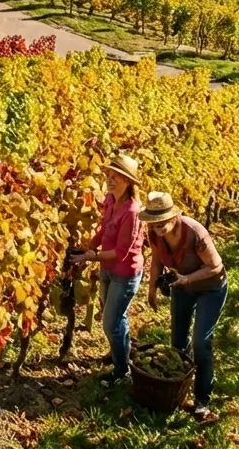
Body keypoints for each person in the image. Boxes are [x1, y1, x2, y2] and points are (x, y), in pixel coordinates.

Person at [143, 192, 227, 424]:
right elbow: (157, 260)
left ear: (174, 217)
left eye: (162, 219)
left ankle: (202, 401)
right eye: (153, 219)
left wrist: (187, 280)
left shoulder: (195, 234)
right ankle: (178, 390)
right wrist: (151, 290)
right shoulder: (155, 233)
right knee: (178, 342)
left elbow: (216, 267)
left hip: (210, 288)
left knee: (201, 341)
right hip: (182, 285)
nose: (158, 224)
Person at [73, 155, 144, 385]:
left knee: (111, 321)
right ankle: (119, 352)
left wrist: (92, 256)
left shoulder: (132, 212)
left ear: (128, 181)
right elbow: (103, 232)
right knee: (112, 316)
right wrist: (88, 249)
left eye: (116, 176)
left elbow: (121, 252)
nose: (110, 180)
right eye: (108, 175)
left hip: (125, 272)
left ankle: (122, 371)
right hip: (107, 267)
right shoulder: (111, 200)